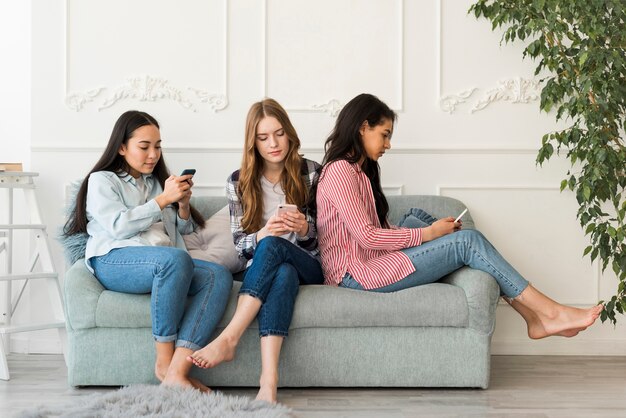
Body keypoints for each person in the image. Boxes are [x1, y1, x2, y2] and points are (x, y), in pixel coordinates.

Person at [313, 93, 602, 339]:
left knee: (423, 221)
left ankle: (534, 316)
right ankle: (548, 312)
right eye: (384, 134)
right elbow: (367, 235)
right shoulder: (340, 171)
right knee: (467, 242)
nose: (388, 144)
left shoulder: (359, 173)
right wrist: (431, 234)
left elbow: (378, 228)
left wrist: (439, 231)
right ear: (364, 127)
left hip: (370, 264)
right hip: (356, 275)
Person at [63, 110, 233, 391]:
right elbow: (117, 226)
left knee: (218, 276)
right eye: (144, 147)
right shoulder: (103, 181)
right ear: (121, 147)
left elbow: (184, 230)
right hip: (114, 260)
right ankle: (164, 365)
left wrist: (182, 205)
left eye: (157, 146)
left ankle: (178, 370)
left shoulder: (156, 182)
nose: (153, 154)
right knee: (174, 260)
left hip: (164, 262)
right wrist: (162, 200)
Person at [188, 98, 324, 403]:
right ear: (253, 142)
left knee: (279, 250)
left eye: (278, 133)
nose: (273, 143)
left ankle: (230, 338)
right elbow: (240, 246)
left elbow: (322, 240)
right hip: (271, 268)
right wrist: (263, 233)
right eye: (263, 138)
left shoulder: (312, 172)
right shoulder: (238, 181)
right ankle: (269, 384)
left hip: (310, 265)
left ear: (289, 133)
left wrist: (303, 228)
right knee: (282, 271)